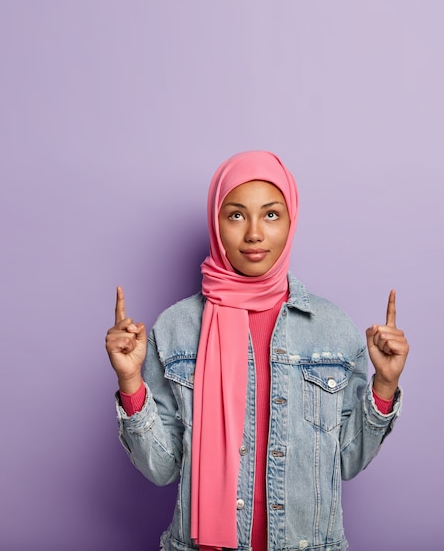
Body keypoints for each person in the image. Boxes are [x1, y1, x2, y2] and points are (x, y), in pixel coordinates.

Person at [105, 150, 409, 551]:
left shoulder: (332, 328)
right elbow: (162, 468)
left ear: (291, 221)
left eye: (270, 215)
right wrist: (130, 381)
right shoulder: (176, 328)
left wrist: (385, 385)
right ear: (216, 223)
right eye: (235, 215)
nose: (253, 233)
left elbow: (347, 462)